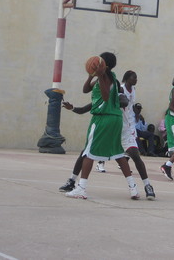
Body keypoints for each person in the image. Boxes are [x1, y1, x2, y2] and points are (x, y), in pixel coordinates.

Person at [65, 52, 140, 200]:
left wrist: (99, 75)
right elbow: (85, 89)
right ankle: (133, 188)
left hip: (102, 118)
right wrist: (91, 75)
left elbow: (105, 96)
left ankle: (81, 188)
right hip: (115, 119)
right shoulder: (112, 77)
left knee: (88, 153)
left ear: (102, 64)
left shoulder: (105, 78)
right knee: (119, 153)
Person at [120, 70, 156, 199]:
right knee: (89, 152)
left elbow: (130, 107)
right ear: (127, 78)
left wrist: (135, 115)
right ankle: (75, 181)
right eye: (134, 78)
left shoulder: (133, 89)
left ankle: (147, 185)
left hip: (128, 127)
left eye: (136, 78)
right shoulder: (121, 89)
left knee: (135, 154)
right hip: (116, 125)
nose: (136, 80)